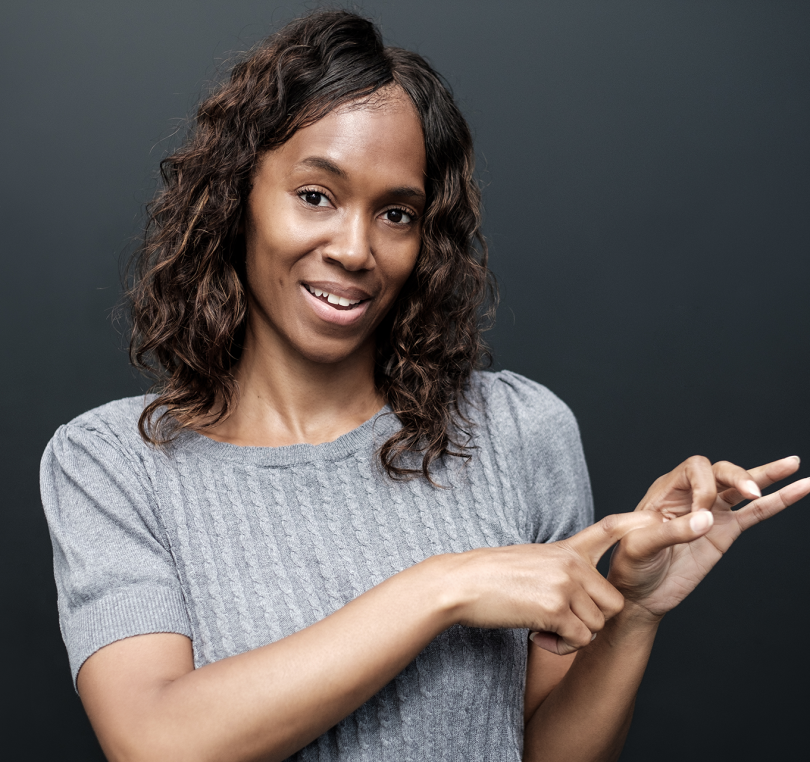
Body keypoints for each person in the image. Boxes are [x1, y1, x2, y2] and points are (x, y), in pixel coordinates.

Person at [39, 9, 808, 762]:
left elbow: (545, 751)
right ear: (235, 199)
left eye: (397, 213)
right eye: (316, 195)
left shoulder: (518, 431)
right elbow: (155, 741)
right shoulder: (113, 464)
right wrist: (444, 588)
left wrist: (633, 612)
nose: (354, 248)